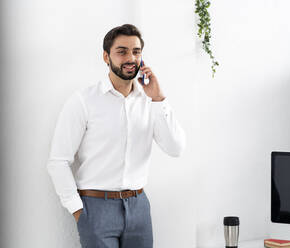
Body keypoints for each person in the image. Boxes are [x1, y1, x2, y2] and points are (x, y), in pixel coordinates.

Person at [47, 24, 186, 248]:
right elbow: (58, 161)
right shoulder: (83, 101)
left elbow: (176, 148)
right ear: (106, 56)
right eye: (121, 51)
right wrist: (77, 210)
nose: (130, 57)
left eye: (136, 51)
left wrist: (159, 99)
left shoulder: (150, 102)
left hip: (139, 206)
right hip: (96, 207)